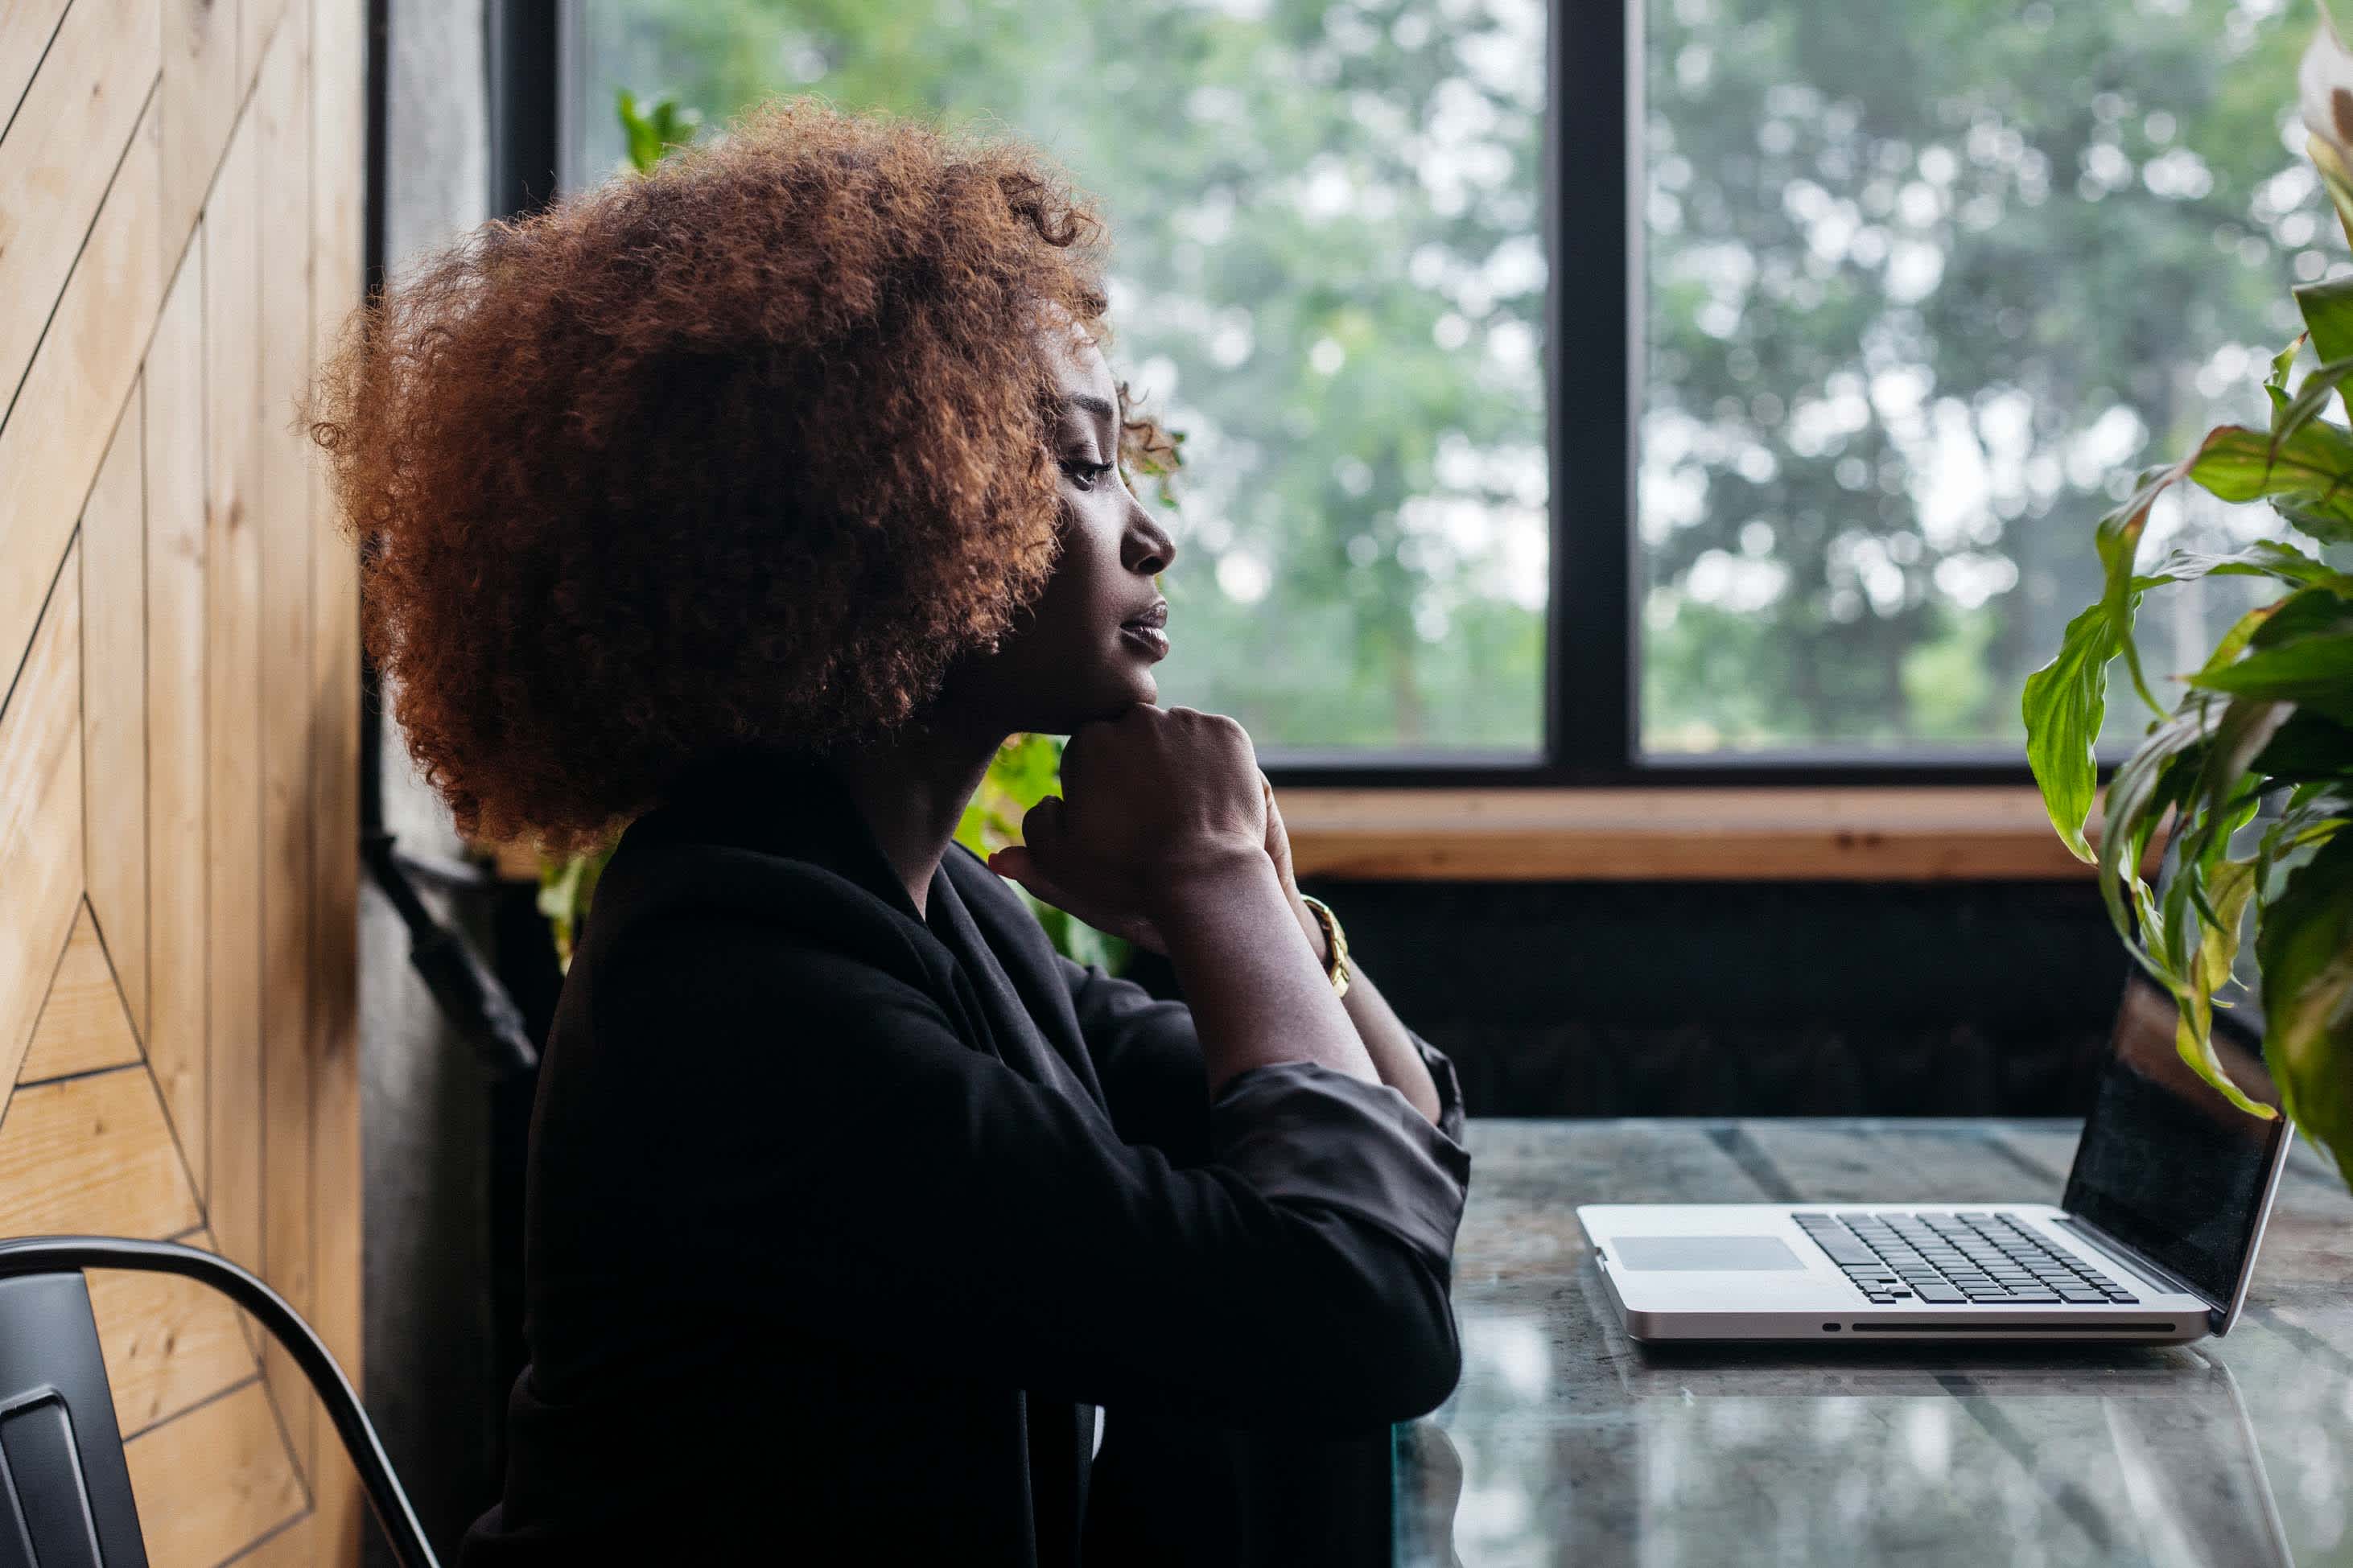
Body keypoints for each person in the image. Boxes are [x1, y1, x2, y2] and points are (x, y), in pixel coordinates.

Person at [313, 98, 1470, 1565]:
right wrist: (1215, 870)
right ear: (881, 513)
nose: (1150, 534)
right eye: (1083, 462)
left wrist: (1260, 912)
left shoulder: (935, 914)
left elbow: (1394, 1146)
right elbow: (1357, 1311)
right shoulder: (737, 979)